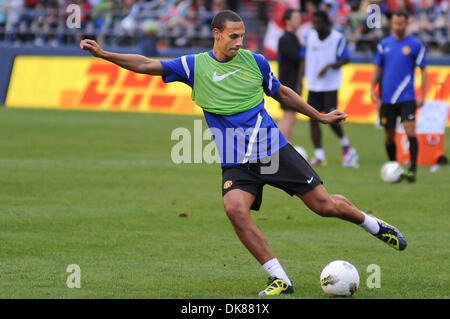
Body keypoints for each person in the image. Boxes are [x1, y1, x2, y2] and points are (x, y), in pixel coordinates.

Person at [80, 10, 407, 297]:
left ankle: (372, 224)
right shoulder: (194, 66)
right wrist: (106, 54)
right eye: (233, 36)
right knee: (234, 209)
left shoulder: (255, 62)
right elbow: (147, 63)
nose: (239, 42)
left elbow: (282, 93)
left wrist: (318, 115)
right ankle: (280, 278)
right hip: (236, 162)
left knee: (324, 207)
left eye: (243, 36)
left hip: (273, 151)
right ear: (217, 34)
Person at [371, 10, 427, 183]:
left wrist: (423, 94)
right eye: (395, 24)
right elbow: (378, 68)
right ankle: (393, 166)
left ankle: (412, 169)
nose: (397, 27)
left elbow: (423, 70)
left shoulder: (415, 45)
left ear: (407, 23)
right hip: (387, 97)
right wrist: (372, 88)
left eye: (401, 24)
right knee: (389, 135)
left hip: (407, 96)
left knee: (410, 130)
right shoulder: (384, 44)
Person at [299, 10, 359, 167]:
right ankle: (319, 154)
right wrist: (300, 80)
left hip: (330, 85)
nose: (316, 26)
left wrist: (330, 65)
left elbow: (345, 59)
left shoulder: (337, 38)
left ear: (326, 23)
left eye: (319, 23)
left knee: (332, 119)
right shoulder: (309, 37)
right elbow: (303, 59)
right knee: (313, 120)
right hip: (313, 85)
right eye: (315, 23)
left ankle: (345, 145)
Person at [277, 8, 302, 142]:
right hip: (288, 83)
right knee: (289, 114)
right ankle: (282, 145)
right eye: (296, 18)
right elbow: (297, 58)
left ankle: (284, 144)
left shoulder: (294, 38)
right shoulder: (285, 39)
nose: (299, 21)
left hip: (293, 82)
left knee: (292, 115)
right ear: (287, 21)